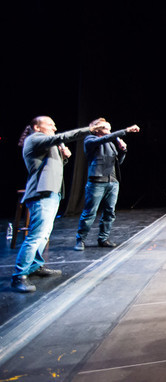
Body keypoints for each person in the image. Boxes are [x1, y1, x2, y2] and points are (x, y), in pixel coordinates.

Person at [11, 116, 107, 293]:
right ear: (37, 127)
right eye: (50, 125)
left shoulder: (45, 143)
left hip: (52, 193)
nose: (54, 127)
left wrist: (64, 157)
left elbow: (50, 167)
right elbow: (60, 138)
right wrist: (90, 130)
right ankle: (19, 275)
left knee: (44, 234)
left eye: (55, 124)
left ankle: (35, 266)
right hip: (41, 193)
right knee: (36, 235)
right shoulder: (34, 139)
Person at [74, 118, 140, 251]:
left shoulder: (110, 143)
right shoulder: (90, 140)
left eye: (109, 128)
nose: (109, 131)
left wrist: (123, 151)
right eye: (105, 128)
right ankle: (80, 239)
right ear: (96, 129)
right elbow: (101, 140)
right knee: (90, 213)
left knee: (109, 212)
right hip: (97, 182)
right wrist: (125, 131)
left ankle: (103, 238)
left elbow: (117, 162)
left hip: (112, 181)